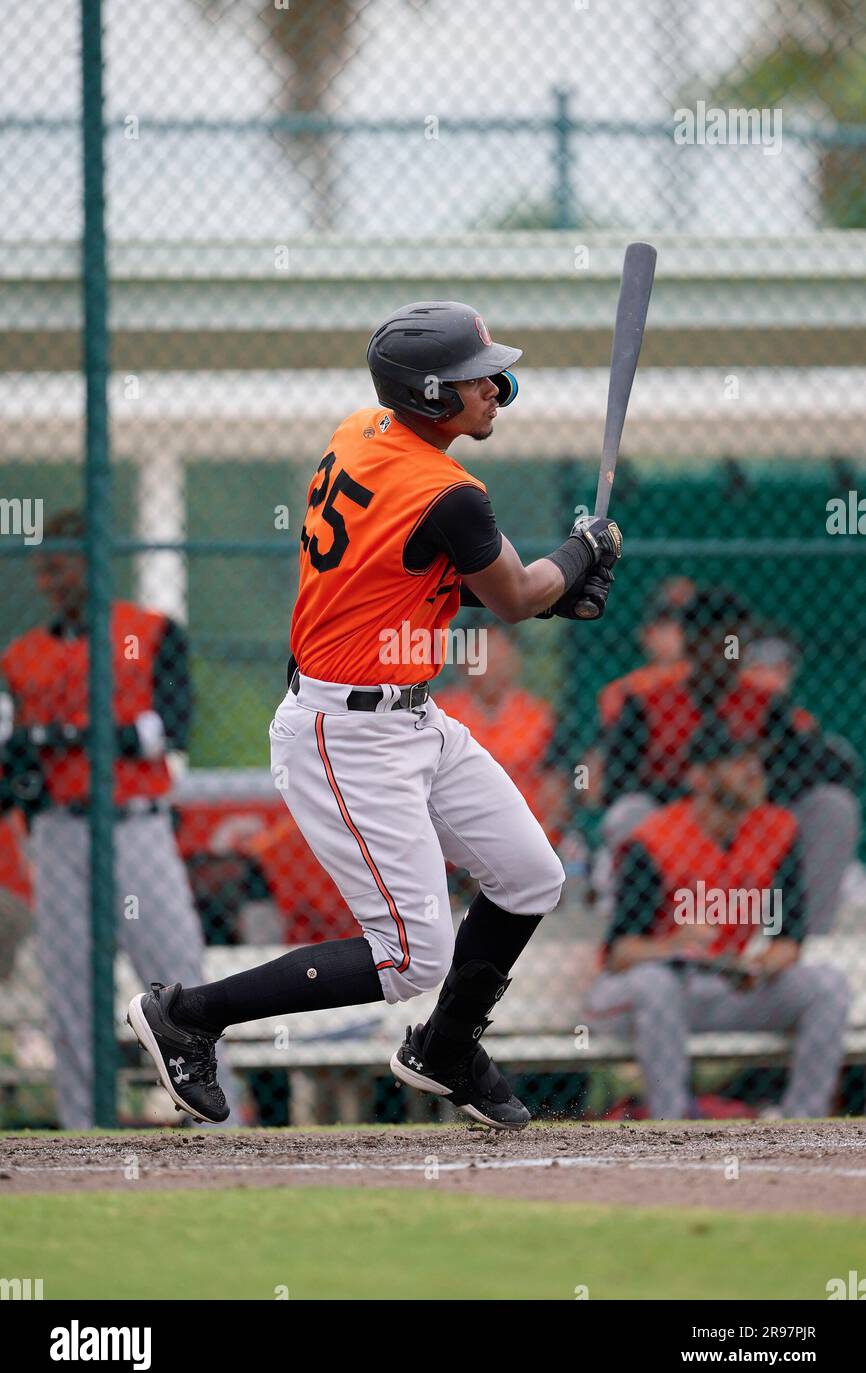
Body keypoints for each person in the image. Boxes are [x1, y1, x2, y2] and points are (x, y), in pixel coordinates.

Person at [128, 299, 622, 1130]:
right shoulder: (450, 492)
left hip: (410, 714)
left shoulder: (363, 429)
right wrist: (585, 552)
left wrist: (556, 586)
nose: (497, 389)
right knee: (408, 956)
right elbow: (512, 596)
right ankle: (187, 1017)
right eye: (477, 380)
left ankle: (447, 1048)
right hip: (346, 735)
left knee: (532, 876)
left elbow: (412, 564)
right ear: (431, 398)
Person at [0, 509, 241, 1127]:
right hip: (58, 832)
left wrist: (64, 734)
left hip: (137, 827)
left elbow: (165, 730)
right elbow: (15, 757)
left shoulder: (151, 631)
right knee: (70, 993)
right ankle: (83, 1132)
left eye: (63, 564)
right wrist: (77, 740)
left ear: (92, 561)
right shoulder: (22, 656)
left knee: (179, 983)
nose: (52, 579)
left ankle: (223, 1124)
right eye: (44, 567)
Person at [584, 722, 850, 1119]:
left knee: (827, 984)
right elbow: (618, 955)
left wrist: (761, 966)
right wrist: (672, 946)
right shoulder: (657, 839)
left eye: (755, 759)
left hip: (728, 987)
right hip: (644, 993)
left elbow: (787, 940)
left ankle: (802, 1123)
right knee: (655, 985)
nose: (753, 770)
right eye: (736, 761)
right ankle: (671, 1127)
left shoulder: (775, 831)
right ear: (700, 776)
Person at [597, 588, 860, 937]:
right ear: (691, 645)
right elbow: (615, 785)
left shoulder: (764, 700)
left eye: (735, 641)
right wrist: (693, 794)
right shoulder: (648, 702)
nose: (727, 652)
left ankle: (802, 942)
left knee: (833, 806)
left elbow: (817, 768)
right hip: (676, 831)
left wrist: (747, 788)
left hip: (749, 826)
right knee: (628, 813)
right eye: (716, 641)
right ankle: (649, 937)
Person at [436, 626, 568, 841]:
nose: (492, 667)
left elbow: (554, 780)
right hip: (457, 828)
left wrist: (545, 829)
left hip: (525, 827)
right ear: (463, 663)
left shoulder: (537, 715)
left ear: (514, 662)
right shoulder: (442, 711)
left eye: (500, 657)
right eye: (483, 656)